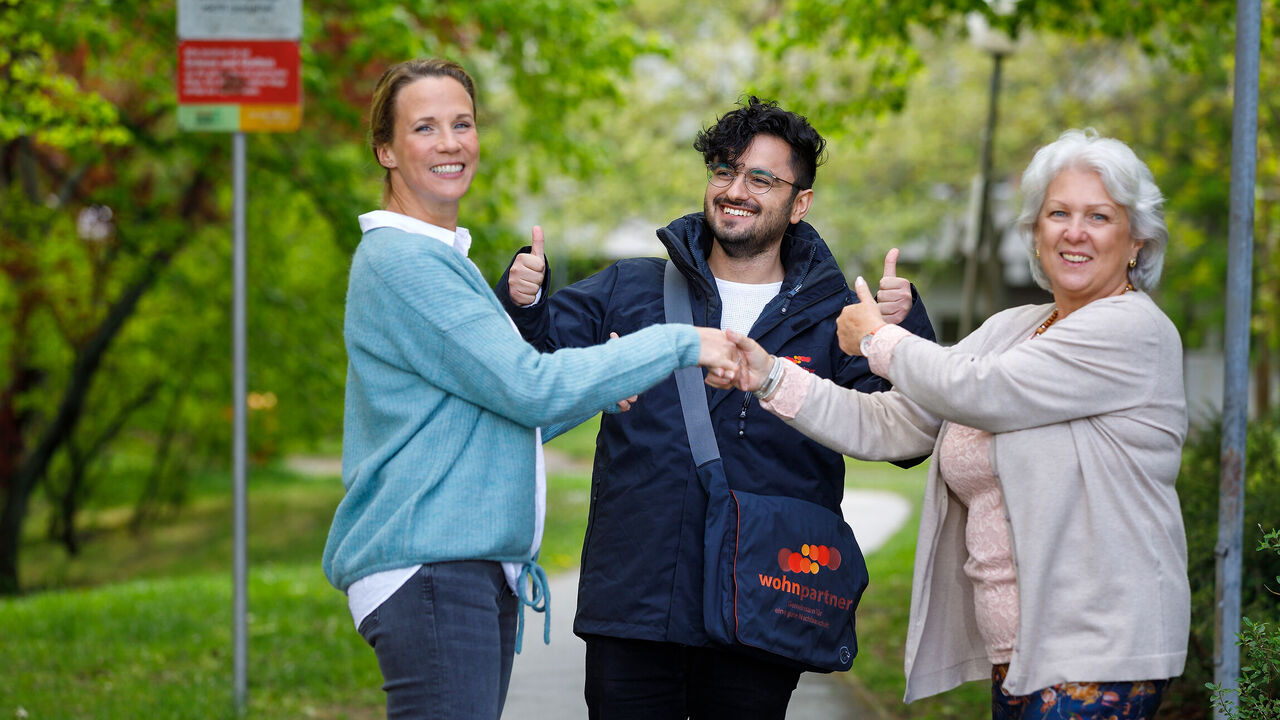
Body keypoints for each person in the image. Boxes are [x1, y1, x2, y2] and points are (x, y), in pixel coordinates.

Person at [320, 58, 741, 720]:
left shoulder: (440, 260)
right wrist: (682, 341)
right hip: (430, 563)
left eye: (462, 123)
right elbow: (528, 386)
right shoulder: (403, 262)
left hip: (465, 566)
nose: (450, 142)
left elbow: (499, 413)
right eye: (424, 127)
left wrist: (599, 388)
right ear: (386, 149)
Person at [723, 128, 1189, 719]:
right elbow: (896, 421)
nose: (1074, 232)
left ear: (1137, 242)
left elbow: (982, 390)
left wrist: (876, 337)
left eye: (1099, 216)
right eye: (1058, 213)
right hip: (1022, 655)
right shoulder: (1015, 328)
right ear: (1035, 234)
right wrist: (770, 377)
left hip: (1099, 652)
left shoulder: (1132, 331)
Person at [496, 97, 936, 718]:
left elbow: (907, 437)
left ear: (800, 202)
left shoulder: (832, 318)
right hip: (635, 602)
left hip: (763, 603)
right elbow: (525, 368)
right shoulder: (630, 287)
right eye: (724, 171)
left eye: (762, 177)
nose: (736, 190)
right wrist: (525, 299)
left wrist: (902, 332)